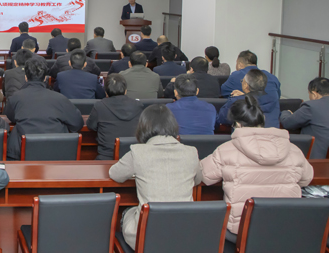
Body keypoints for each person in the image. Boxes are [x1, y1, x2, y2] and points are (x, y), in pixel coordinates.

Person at [201, 95, 313, 236]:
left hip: (242, 230)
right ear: (263, 120)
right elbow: (307, 179)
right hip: (287, 229)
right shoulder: (294, 150)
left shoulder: (225, 150)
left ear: (238, 125)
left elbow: (204, 176)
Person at [110, 104, 201, 250]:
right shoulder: (191, 152)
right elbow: (197, 180)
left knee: (127, 212)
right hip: (184, 233)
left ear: (143, 127)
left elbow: (115, 174)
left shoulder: (137, 152)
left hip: (146, 236)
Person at [5, 58, 84, 160]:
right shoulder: (60, 98)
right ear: (45, 78)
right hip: (57, 153)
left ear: (26, 78)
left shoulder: (16, 97)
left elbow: (11, 116)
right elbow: (77, 123)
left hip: (23, 154)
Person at [87, 74, 144, 160]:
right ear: (125, 91)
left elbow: (91, 126)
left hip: (106, 157)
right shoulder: (138, 105)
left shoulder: (99, 106)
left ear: (106, 93)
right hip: (133, 157)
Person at [281, 77, 329, 159]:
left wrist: (286, 112)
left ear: (314, 94)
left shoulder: (311, 106)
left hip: (315, 160)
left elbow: (287, 123)